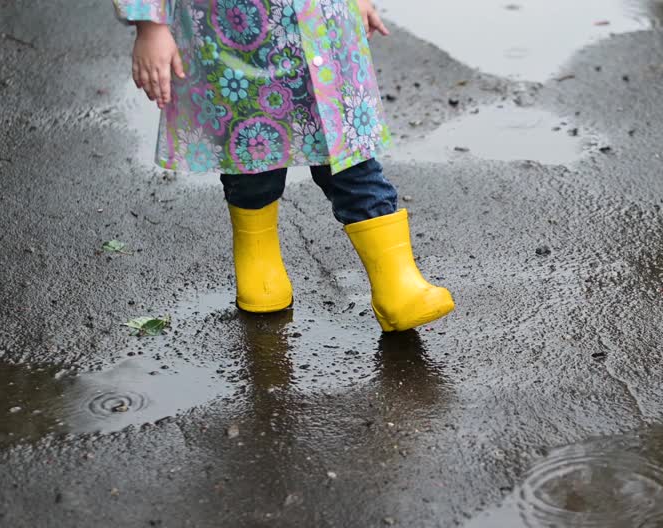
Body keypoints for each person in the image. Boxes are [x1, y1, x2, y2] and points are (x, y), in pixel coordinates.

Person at [113, 0, 454, 332]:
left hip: (323, 25)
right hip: (234, 31)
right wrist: (151, 26)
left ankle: (397, 283)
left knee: (349, 157)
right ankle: (259, 265)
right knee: (251, 155)